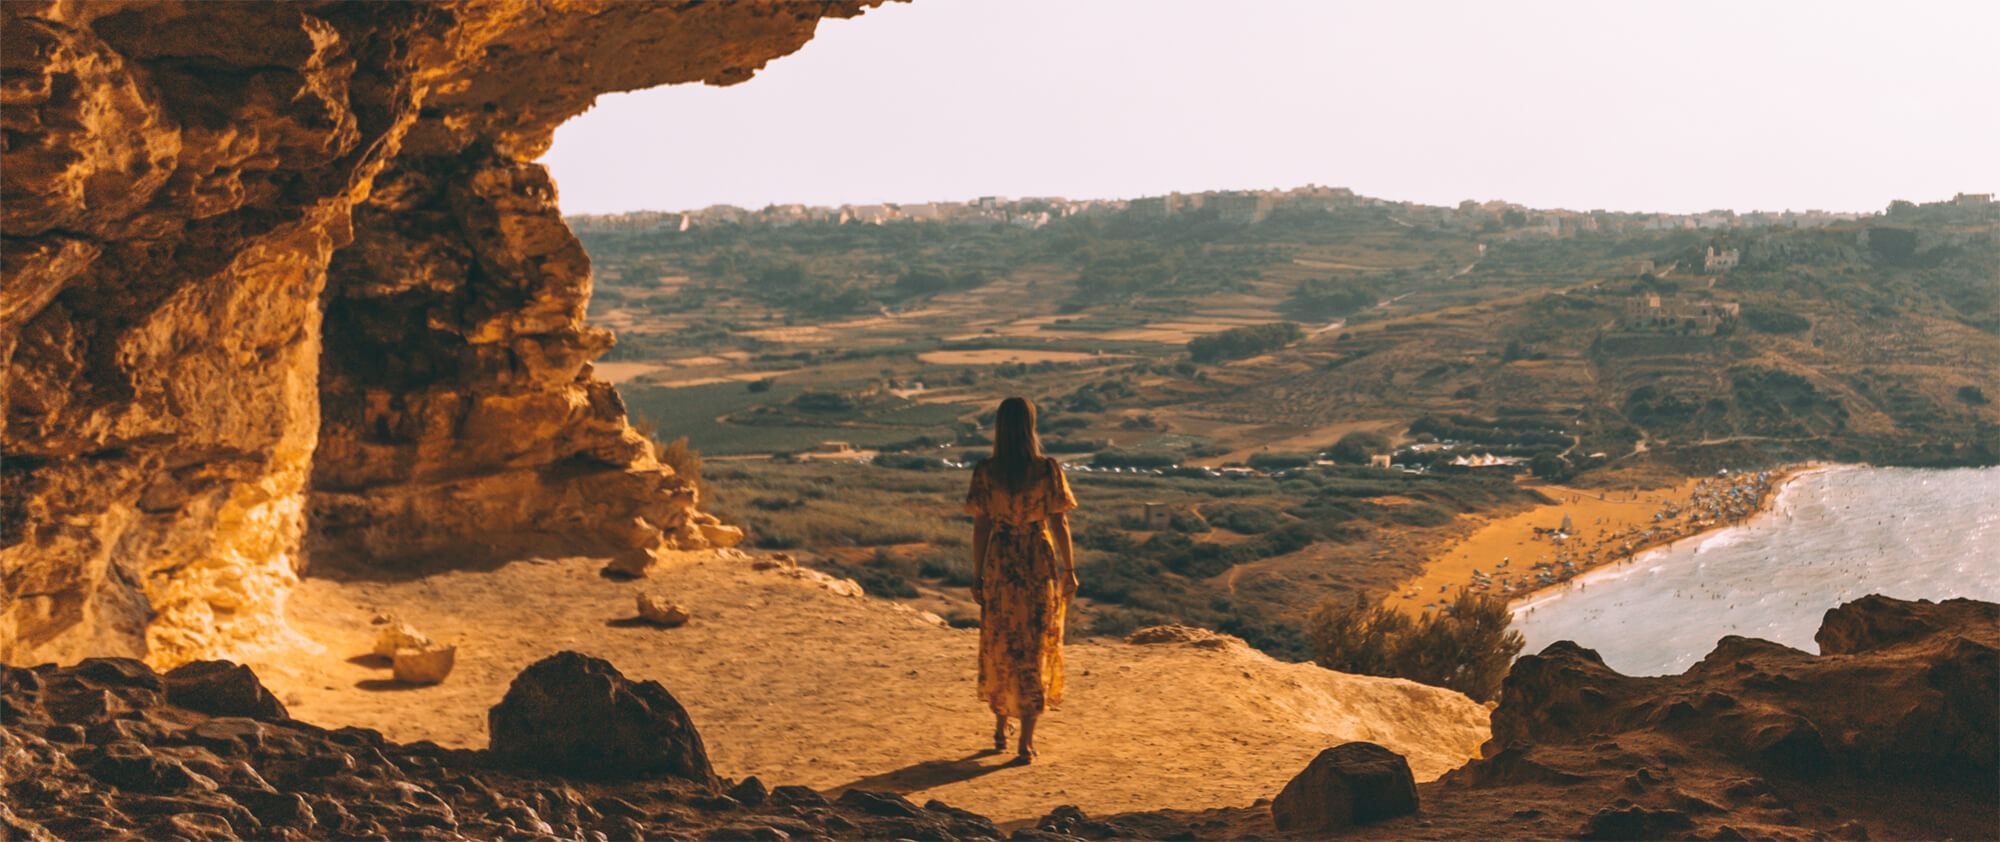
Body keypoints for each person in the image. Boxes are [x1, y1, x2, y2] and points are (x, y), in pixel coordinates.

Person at [963, 396, 1077, 763]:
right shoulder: (1047, 470)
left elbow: (981, 526)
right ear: (1031, 425)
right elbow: (1059, 522)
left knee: (1000, 644)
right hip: (1037, 564)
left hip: (1000, 562)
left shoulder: (985, 471)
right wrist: (1069, 570)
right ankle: (1025, 743)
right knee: (1033, 648)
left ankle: (999, 729)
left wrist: (978, 574)